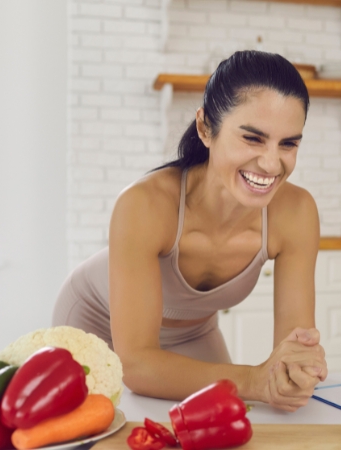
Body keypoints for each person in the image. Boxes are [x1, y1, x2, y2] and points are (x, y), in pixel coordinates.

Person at [53, 50, 327, 411]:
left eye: (288, 143)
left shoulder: (296, 212)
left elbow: (291, 352)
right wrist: (254, 379)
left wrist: (297, 370)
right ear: (205, 128)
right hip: (96, 323)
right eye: (252, 138)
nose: (271, 163)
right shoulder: (145, 204)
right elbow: (136, 365)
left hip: (194, 334)